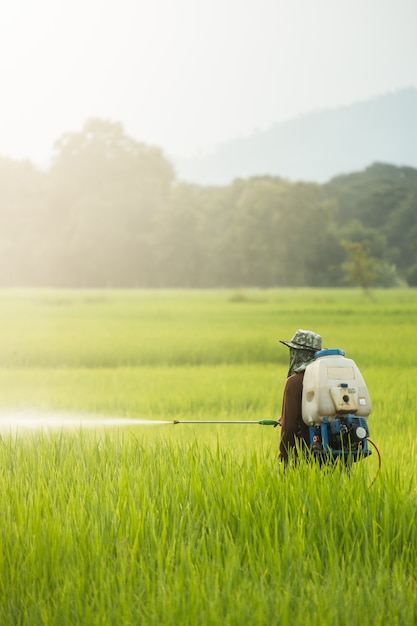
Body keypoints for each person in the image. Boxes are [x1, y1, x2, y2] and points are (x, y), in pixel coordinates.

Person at [277, 329, 322, 464]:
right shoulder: (329, 378)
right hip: (339, 457)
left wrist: (284, 458)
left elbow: (289, 427)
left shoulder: (295, 382)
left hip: (306, 459)